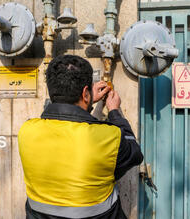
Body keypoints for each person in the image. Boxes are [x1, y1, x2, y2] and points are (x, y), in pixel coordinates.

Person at [18, 55, 144, 219]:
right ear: (86, 93)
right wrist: (114, 112)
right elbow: (134, 154)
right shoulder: (109, 137)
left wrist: (86, 102)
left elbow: (61, 119)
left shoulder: (27, 130)